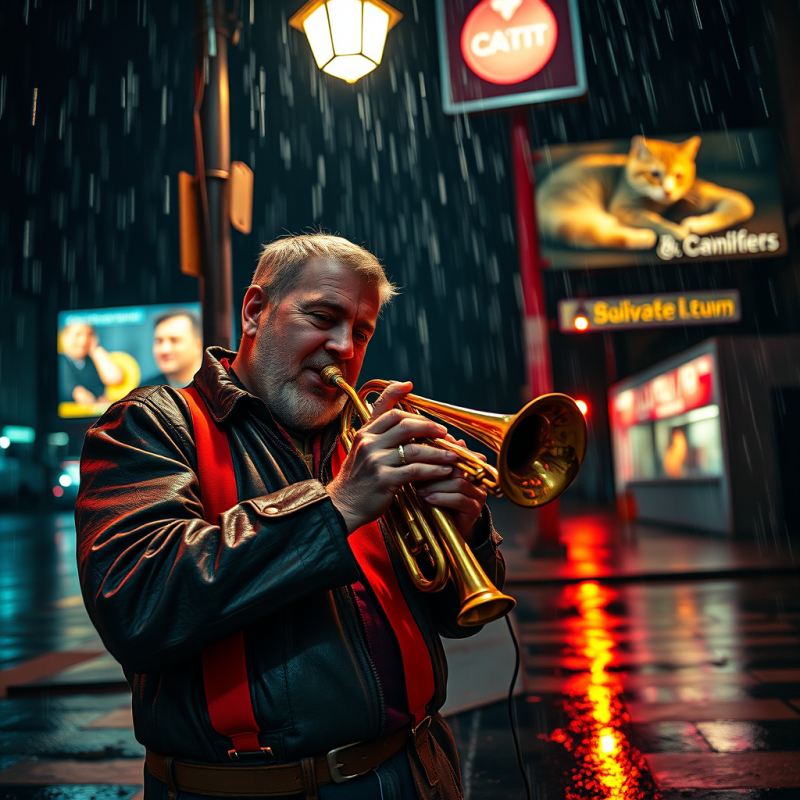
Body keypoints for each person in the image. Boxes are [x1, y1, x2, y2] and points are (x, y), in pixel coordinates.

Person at [75, 233, 505, 800]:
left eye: (361, 331)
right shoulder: (152, 425)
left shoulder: (365, 438)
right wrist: (339, 505)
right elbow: (139, 602)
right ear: (255, 311)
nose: (344, 348)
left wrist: (465, 530)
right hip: (251, 789)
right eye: (322, 317)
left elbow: (462, 619)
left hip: (418, 772)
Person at [58, 323, 124, 405]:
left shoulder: (94, 361)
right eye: (78, 334)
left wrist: (95, 349)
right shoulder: (60, 360)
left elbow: (116, 379)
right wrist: (78, 392)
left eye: (89, 334)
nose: (84, 340)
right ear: (65, 336)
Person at [140, 309, 204, 388]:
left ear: (199, 345)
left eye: (174, 340)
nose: (165, 349)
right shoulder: (143, 394)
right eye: (159, 341)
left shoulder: (218, 389)